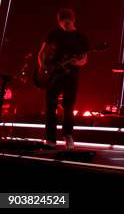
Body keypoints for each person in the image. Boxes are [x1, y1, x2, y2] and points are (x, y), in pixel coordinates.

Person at [37, 8, 89, 149]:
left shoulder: (80, 37)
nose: (64, 24)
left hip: (71, 75)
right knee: (50, 104)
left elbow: (84, 59)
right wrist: (43, 67)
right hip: (54, 74)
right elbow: (41, 53)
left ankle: (68, 135)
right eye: (62, 22)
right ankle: (50, 138)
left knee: (69, 106)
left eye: (67, 21)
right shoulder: (54, 33)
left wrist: (76, 62)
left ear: (73, 20)